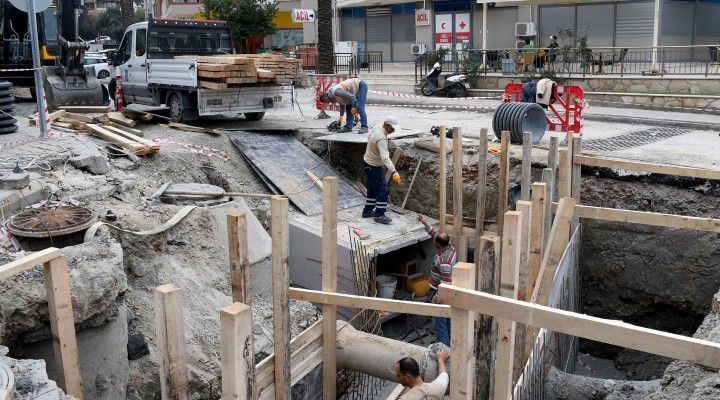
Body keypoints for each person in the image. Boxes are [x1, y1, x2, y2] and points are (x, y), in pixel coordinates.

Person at [418, 215, 456, 347]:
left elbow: (445, 284)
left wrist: (436, 297)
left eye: (435, 241)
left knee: (441, 323)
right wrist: (425, 223)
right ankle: (450, 345)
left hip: (443, 294)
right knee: (447, 321)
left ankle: (443, 349)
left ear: (437, 245)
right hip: (447, 292)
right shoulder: (450, 248)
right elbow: (435, 235)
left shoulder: (444, 261)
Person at [362, 116, 401, 225]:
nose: (393, 130)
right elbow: (385, 157)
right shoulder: (382, 138)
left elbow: (369, 138)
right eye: (392, 128)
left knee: (372, 188)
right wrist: (394, 172)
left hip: (368, 162)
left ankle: (367, 211)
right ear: (387, 125)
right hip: (373, 166)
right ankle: (380, 214)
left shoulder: (377, 127)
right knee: (382, 189)